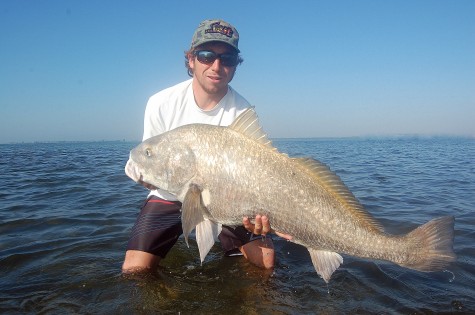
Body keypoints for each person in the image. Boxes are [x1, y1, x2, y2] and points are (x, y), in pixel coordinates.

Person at [122, 19, 290, 274]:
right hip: (170, 196)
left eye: (227, 58)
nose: (216, 66)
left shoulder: (242, 110)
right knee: (134, 269)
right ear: (190, 59)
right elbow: (147, 159)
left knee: (266, 262)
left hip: (229, 200)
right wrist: (140, 174)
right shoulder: (160, 103)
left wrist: (261, 214)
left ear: (236, 65)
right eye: (206, 55)